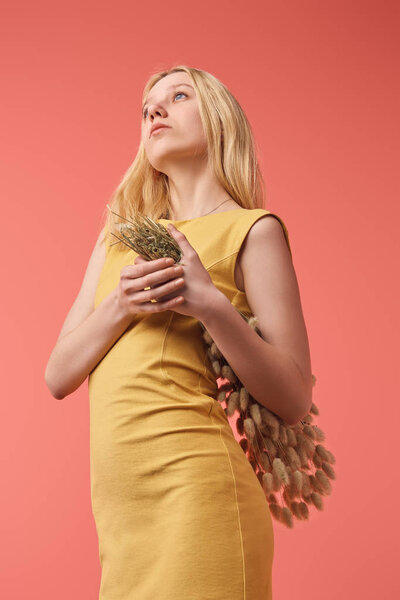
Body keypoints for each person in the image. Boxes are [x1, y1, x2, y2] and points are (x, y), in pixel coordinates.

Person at [45, 65, 313, 599]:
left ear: (218, 122)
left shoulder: (252, 230)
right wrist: (121, 304)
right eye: (147, 106)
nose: (154, 110)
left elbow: (294, 396)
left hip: (198, 498)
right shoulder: (118, 242)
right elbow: (58, 374)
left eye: (178, 96)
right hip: (123, 523)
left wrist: (210, 305)